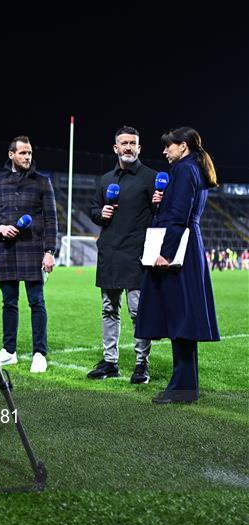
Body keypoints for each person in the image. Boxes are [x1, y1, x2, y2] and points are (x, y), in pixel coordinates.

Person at [135, 126, 220, 404]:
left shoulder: (184, 169)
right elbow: (179, 210)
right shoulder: (195, 168)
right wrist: (161, 203)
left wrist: (166, 253)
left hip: (179, 249)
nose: (164, 151)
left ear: (183, 146)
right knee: (183, 318)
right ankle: (186, 387)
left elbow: (180, 215)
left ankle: (181, 389)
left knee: (180, 319)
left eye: (168, 146)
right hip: (189, 245)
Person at [0, 136, 57, 373]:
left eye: (30, 153)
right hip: (6, 250)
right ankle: (9, 351)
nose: (27, 157)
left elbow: (51, 219)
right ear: (11, 155)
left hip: (33, 250)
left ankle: (39, 353)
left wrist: (49, 251)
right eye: (23, 153)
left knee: (37, 302)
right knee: (9, 303)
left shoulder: (43, 182)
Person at [87, 126, 157, 384]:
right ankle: (110, 362)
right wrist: (100, 214)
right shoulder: (105, 179)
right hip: (109, 253)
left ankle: (141, 365)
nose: (128, 147)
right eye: (124, 143)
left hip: (137, 253)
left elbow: (160, 214)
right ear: (115, 148)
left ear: (139, 147)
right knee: (108, 309)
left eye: (133, 143)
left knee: (138, 311)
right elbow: (93, 209)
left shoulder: (151, 178)